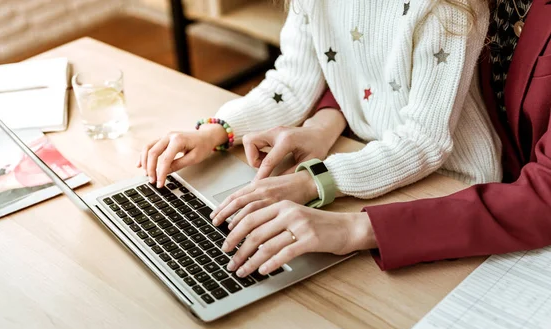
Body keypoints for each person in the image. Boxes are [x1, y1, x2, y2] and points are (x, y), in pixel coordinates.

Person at [138, 0, 507, 276]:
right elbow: (292, 86)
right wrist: (215, 132)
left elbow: (423, 141)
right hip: (366, 162)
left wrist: (311, 181)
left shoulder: (448, 8)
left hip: (447, 187)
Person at [219, 0, 551, 278]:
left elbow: (542, 196)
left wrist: (344, 216)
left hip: (467, 202)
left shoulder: (448, 9)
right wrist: (221, 128)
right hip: (396, 170)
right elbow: (368, 64)